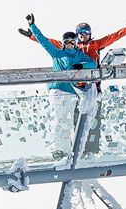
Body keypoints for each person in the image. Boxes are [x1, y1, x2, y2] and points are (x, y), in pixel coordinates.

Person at [19, 14, 100, 154]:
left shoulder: (79, 55)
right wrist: (32, 26)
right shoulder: (57, 53)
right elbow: (44, 41)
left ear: (75, 42)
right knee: (59, 121)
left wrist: (81, 65)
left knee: (67, 123)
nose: (70, 44)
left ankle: (67, 150)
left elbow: (93, 63)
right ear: (63, 43)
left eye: (72, 42)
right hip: (57, 91)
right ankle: (58, 149)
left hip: (71, 93)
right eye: (67, 42)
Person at [26, 15, 126, 64]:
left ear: (90, 33)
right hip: (76, 77)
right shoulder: (70, 44)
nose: (83, 35)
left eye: (86, 32)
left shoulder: (96, 44)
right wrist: (32, 36)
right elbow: (49, 42)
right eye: (81, 33)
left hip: (92, 76)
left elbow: (114, 36)